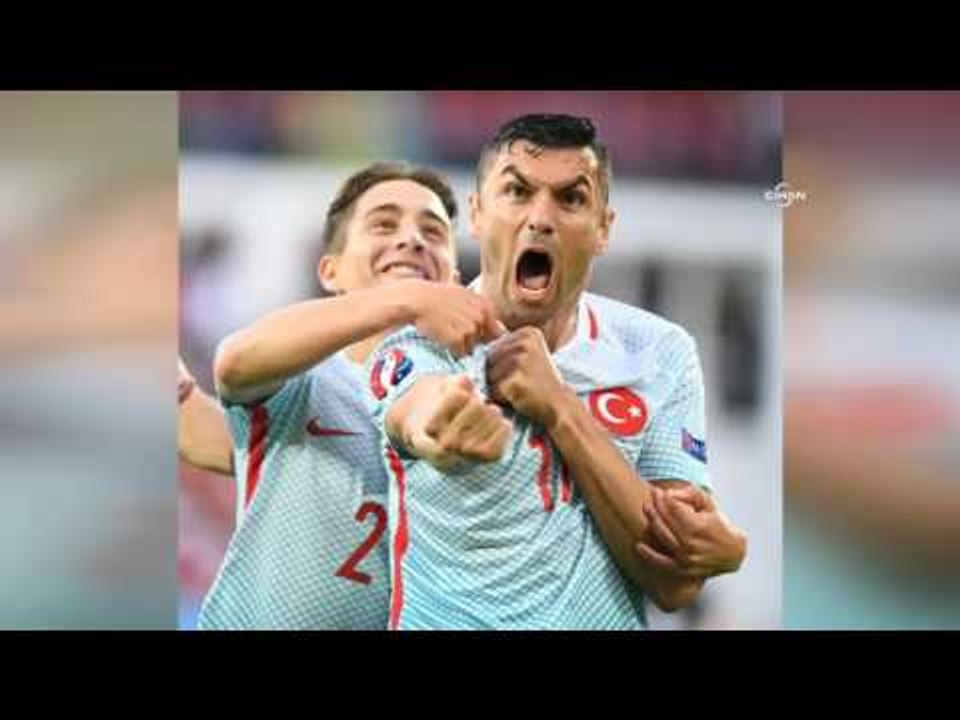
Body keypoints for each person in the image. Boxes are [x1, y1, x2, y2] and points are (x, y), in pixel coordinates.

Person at [372, 114, 747, 629]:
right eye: (517, 192)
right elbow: (421, 416)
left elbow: (674, 584)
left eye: (570, 198)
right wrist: (441, 427)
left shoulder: (659, 352)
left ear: (603, 229)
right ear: (477, 214)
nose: (540, 219)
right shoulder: (420, 343)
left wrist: (562, 410)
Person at [199, 161, 502, 629]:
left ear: (454, 276)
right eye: (384, 224)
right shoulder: (302, 378)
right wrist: (407, 299)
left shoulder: (475, 394)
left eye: (433, 232)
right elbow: (235, 363)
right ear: (331, 270)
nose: (412, 239)